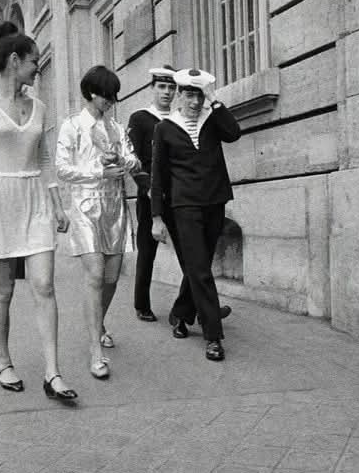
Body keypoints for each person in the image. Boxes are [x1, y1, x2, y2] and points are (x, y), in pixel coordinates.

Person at [0, 21, 76, 400]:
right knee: (3, 292)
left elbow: (44, 159)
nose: (37, 70)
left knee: (44, 284)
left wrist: (58, 204)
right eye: (33, 63)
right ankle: (3, 360)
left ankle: (53, 373)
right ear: (14, 61)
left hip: (36, 200)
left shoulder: (39, 106)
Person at [151, 68, 241, 361]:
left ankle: (181, 313)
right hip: (184, 206)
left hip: (214, 201)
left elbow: (234, 133)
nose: (194, 101)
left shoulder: (212, 119)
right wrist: (156, 217)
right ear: (179, 95)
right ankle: (213, 334)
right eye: (189, 94)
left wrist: (215, 101)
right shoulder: (165, 128)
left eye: (199, 94)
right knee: (201, 269)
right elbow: (158, 177)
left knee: (197, 265)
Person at [56, 65, 140, 379]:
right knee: (94, 273)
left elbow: (134, 161)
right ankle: (96, 350)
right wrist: (97, 172)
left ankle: (98, 322)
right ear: (92, 93)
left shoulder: (116, 129)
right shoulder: (72, 126)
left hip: (115, 208)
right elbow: (62, 169)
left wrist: (122, 159)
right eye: (108, 95)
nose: (111, 101)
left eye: (113, 96)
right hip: (84, 206)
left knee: (112, 276)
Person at [128, 66, 176, 322]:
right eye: (161, 86)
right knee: (147, 251)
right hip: (150, 194)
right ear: (152, 88)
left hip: (179, 194)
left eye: (171, 87)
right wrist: (147, 189)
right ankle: (142, 304)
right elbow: (132, 160)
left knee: (192, 253)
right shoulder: (140, 118)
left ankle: (194, 307)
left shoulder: (179, 118)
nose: (167, 92)